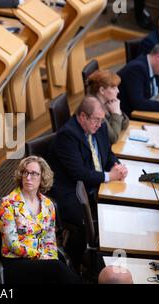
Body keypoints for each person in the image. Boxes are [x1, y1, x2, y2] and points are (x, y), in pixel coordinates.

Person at [49, 96, 127, 269]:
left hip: (94, 184)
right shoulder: (67, 136)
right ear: (82, 117)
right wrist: (109, 176)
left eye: (101, 119)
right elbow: (79, 173)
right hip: (71, 190)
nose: (100, 124)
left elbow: (107, 153)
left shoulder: (99, 127)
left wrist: (116, 165)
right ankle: (74, 265)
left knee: (120, 207)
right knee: (84, 224)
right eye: (96, 120)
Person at [0, 156, 81, 284]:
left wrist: (49, 257)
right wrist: (39, 256)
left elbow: (50, 239)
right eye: (25, 173)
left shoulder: (48, 204)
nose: (28, 178)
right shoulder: (7, 204)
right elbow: (13, 245)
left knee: (58, 267)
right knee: (57, 268)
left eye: (34, 174)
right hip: (16, 262)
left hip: (42, 260)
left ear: (42, 177)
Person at [118, 40, 159, 117]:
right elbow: (138, 103)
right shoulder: (136, 69)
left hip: (147, 114)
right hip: (129, 118)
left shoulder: (158, 69)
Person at [86, 70, 129, 144]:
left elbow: (125, 124)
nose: (118, 91)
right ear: (102, 90)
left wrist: (117, 111)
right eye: (114, 88)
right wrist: (116, 114)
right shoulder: (93, 109)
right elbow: (113, 138)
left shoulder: (106, 101)